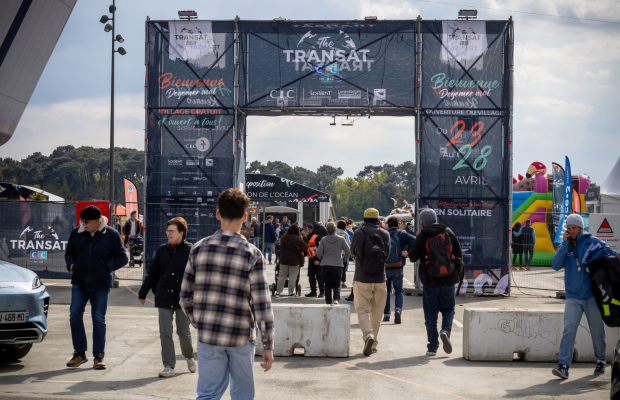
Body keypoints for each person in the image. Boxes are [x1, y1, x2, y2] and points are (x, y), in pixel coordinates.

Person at [180, 188, 274, 399]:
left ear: (217, 214)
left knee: (207, 394)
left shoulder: (198, 249)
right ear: (245, 216)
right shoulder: (252, 254)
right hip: (240, 336)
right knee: (242, 395)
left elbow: (185, 296)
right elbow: (262, 304)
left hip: (209, 335)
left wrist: (200, 321)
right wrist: (267, 343)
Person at [551, 214, 617, 380]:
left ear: (581, 227)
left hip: (591, 296)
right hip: (572, 296)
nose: (571, 231)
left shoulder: (592, 242)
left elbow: (612, 254)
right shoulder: (566, 245)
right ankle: (563, 366)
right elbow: (555, 265)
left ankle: (601, 359)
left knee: (597, 331)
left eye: (573, 228)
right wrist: (564, 244)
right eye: (569, 228)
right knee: (568, 330)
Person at [65, 205, 128, 369]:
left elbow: (122, 257)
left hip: (100, 284)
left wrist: (106, 267)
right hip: (79, 282)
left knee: (98, 319)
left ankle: (98, 356)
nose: (83, 224)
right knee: (74, 315)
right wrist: (71, 264)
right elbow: (69, 252)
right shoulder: (76, 233)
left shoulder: (112, 234)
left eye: (86, 221)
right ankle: (79, 353)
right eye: (81, 221)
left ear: (97, 221)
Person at [138, 217, 196, 378]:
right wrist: (143, 292)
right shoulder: (162, 250)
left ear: (181, 233)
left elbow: (197, 276)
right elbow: (153, 272)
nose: (168, 233)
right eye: (167, 231)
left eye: (171, 231)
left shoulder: (191, 250)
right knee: (165, 332)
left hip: (183, 298)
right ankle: (169, 366)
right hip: (163, 296)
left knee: (183, 332)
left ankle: (189, 356)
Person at [409, 208, 462, 357]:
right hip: (449, 279)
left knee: (431, 315)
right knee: (449, 309)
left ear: (422, 222)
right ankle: (445, 331)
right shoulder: (447, 231)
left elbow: (413, 257)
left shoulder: (423, 235)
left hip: (430, 281)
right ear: (435, 219)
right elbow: (458, 253)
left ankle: (432, 347)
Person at [350, 208, 390, 356]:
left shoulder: (359, 233)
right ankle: (374, 344)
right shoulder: (385, 233)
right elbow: (388, 254)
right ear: (378, 219)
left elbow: (352, 252)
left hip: (362, 277)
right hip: (380, 278)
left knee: (362, 310)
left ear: (365, 219)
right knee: (377, 312)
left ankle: (368, 336)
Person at [383, 216, 416, 324]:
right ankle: (398, 309)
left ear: (387, 225)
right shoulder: (402, 234)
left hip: (386, 266)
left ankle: (386, 314)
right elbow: (415, 240)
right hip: (398, 265)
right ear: (398, 224)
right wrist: (407, 251)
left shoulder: (384, 234)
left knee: (386, 292)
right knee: (399, 290)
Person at [316, 222, 351, 305]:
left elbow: (318, 253)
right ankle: (336, 300)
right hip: (337, 264)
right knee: (336, 284)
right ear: (335, 229)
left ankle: (328, 302)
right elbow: (348, 251)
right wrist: (343, 259)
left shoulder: (323, 239)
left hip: (325, 264)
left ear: (327, 230)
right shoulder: (341, 239)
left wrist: (322, 258)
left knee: (327, 285)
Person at [277, 224, 308, 297]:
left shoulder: (284, 237)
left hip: (284, 259)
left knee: (282, 276)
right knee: (292, 277)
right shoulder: (298, 238)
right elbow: (305, 247)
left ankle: (278, 291)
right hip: (294, 260)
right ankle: (290, 292)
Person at [306, 221, 327, 298]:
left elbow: (308, 246)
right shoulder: (323, 235)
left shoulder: (313, 235)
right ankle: (322, 292)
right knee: (320, 276)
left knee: (312, 276)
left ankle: (313, 291)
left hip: (312, 258)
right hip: (320, 258)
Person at [336, 220, 351, 288]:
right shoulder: (344, 233)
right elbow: (348, 243)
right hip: (343, 253)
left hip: (334, 253)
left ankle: (336, 281)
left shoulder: (334, 231)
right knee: (343, 268)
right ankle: (343, 282)